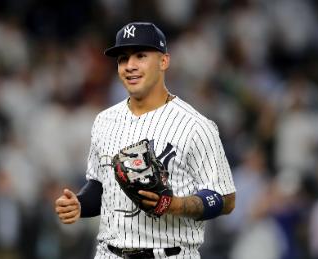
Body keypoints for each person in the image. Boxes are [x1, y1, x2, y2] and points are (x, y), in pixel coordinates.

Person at [55, 22, 236, 259]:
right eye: (122, 58)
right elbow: (101, 185)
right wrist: (80, 204)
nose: (130, 66)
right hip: (108, 254)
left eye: (140, 56)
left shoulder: (195, 126)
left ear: (164, 61)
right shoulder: (104, 121)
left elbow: (225, 198)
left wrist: (176, 205)